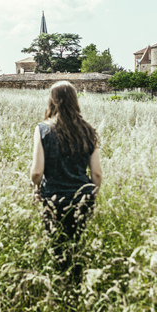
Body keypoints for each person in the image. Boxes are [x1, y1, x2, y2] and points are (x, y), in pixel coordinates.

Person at [29, 81, 102, 280]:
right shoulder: (89, 131)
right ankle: (78, 282)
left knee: (57, 246)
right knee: (77, 243)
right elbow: (97, 174)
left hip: (53, 198)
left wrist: (35, 189)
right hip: (82, 198)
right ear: (74, 100)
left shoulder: (43, 129)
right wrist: (93, 194)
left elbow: (37, 172)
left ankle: (60, 284)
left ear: (52, 101)